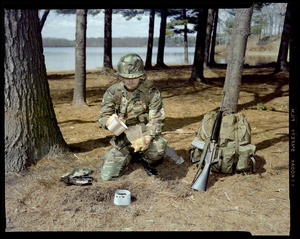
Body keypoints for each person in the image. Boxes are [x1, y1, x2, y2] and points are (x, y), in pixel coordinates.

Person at [98, 53, 168, 181]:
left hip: (144, 134)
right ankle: (129, 155)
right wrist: (108, 121)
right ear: (120, 76)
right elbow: (102, 116)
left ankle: (144, 156)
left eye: (134, 77)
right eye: (126, 77)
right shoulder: (113, 92)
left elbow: (157, 120)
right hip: (123, 137)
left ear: (141, 75)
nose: (130, 80)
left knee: (157, 150)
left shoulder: (151, 93)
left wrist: (148, 138)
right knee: (107, 176)